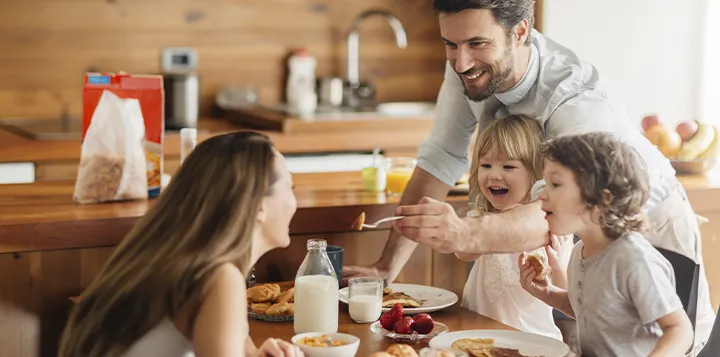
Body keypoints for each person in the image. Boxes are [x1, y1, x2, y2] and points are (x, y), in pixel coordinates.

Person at [342, 0, 715, 351]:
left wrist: (463, 232)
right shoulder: (467, 63)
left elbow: (561, 209)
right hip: (582, 233)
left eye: (476, 43)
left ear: (520, 31)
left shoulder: (576, 99)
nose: (460, 62)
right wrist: (385, 266)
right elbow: (440, 158)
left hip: (649, 224)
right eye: (450, 44)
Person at [58, 132, 304, 357]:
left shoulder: (172, 257)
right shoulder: (219, 278)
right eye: (290, 187)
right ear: (259, 204)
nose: (295, 201)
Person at [520, 132, 694, 356]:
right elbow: (589, 311)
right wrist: (548, 293)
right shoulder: (579, 251)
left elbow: (679, 329)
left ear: (601, 200)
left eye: (555, 184)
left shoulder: (633, 260)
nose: (541, 194)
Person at [456, 114, 572, 340]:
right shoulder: (481, 217)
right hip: (477, 335)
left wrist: (558, 266)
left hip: (531, 340)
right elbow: (462, 251)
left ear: (536, 174)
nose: (494, 174)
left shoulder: (550, 225)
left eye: (508, 166)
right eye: (485, 165)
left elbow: (567, 297)